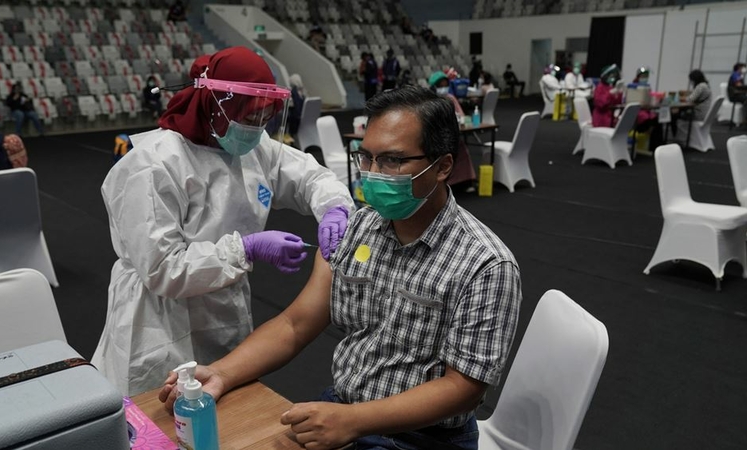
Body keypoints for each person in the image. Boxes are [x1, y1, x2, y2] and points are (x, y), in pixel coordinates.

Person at [159, 86, 522, 450]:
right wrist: (222, 373)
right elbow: (295, 324)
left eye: (393, 161)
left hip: (424, 436)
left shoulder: (485, 264)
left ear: (442, 166)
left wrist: (352, 421)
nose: (374, 174)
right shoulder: (358, 230)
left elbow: (463, 389)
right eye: (367, 157)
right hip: (345, 409)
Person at [90, 47, 355, 396]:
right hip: (159, 320)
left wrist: (334, 208)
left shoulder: (252, 146)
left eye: (265, 118)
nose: (257, 128)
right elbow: (162, 269)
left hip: (223, 304)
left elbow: (311, 177)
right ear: (217, 105)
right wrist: (246, 248)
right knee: (159, 417)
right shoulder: (154, 165)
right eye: (251, 117)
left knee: (224, 400)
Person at [428, 71, 477, 191]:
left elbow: (461, 114)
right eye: (440, 85)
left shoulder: (450, 98)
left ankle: (466, 181)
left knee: (461, 148)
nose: (444, 88)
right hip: (436, 137)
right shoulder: (430, 102)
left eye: (446, 85)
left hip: (453, 133)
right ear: (434, 87)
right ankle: (448, 183)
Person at [672, 69, 713, 136]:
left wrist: (680, 98)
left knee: (673, 115)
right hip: (703, 114)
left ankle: (675, 135)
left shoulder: (700, 87)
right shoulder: (706, 85)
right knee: (678, 112)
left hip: (697, 114)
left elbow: (690, 99)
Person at [287, 73, 306, 141]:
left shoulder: (293, 92)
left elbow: (291, 105)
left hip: (296, 118)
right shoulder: (303, 92)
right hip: (302, 117)